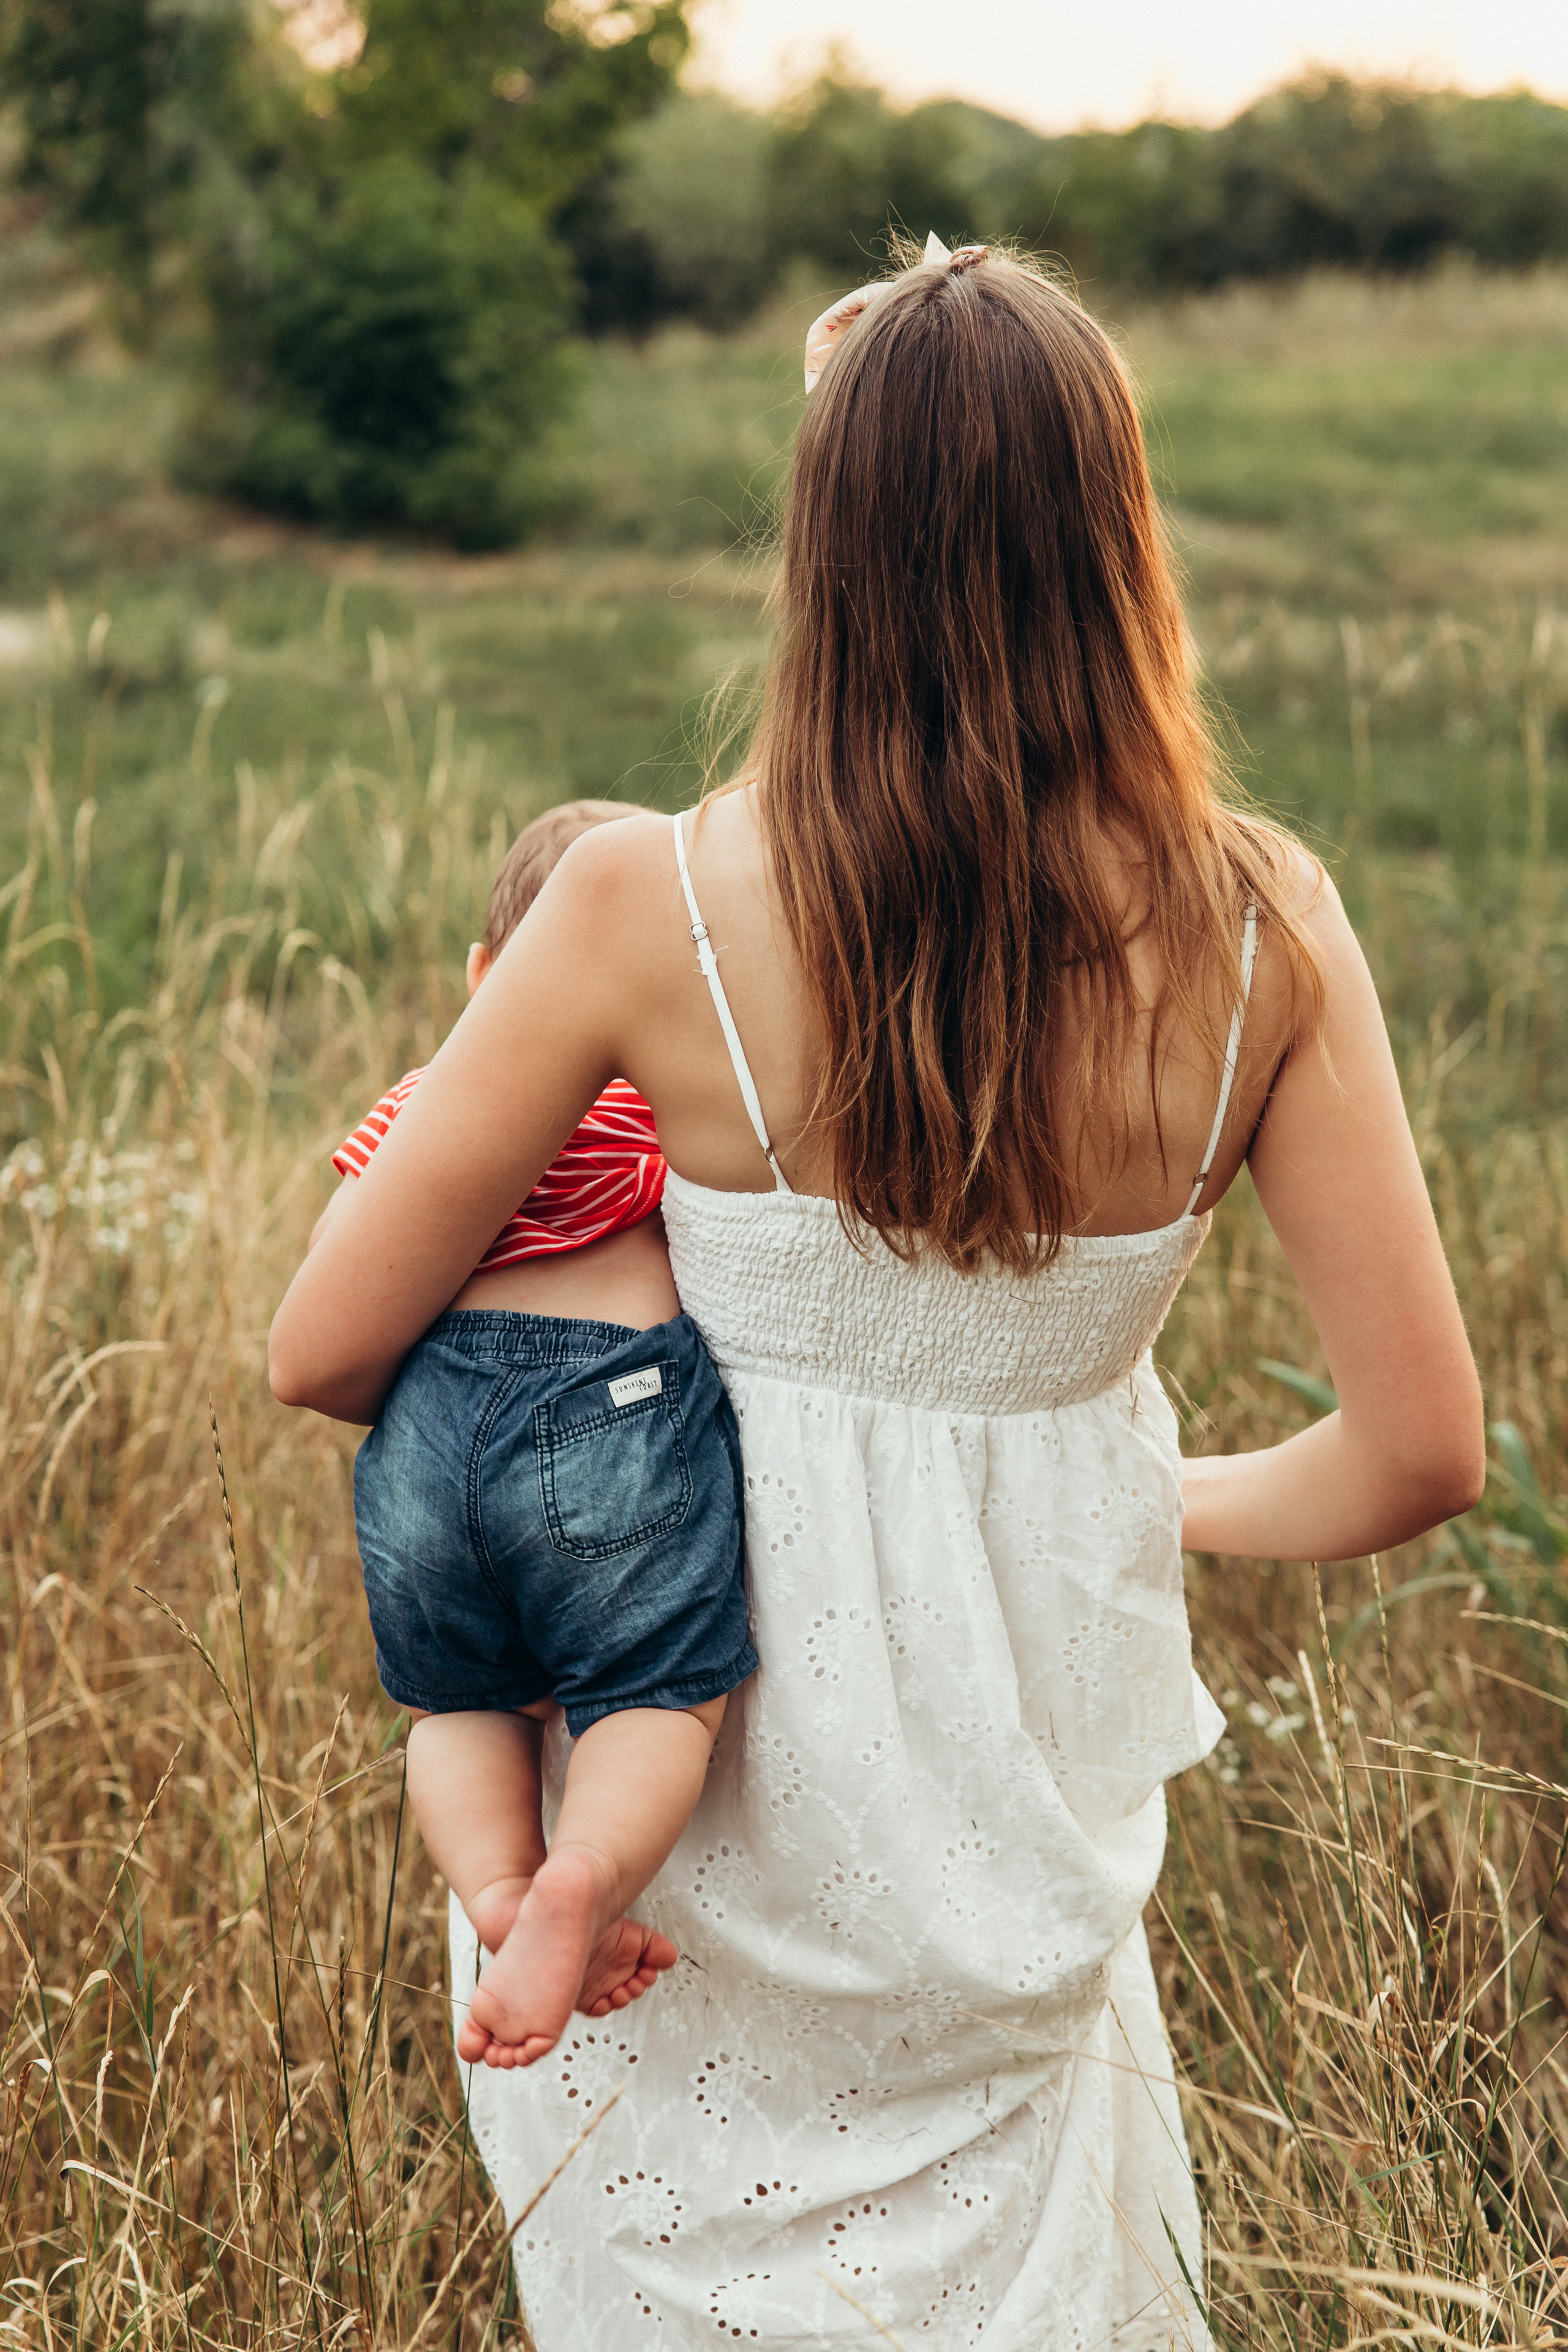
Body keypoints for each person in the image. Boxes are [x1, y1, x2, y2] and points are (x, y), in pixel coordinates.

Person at [269, 243, 1484, 2347]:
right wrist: (1098, 1487)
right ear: (1121, 533)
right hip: (1004, 1809)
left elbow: (322, 1350)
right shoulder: (1269, 931)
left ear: (821, 552)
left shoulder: (644, 900)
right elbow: (1418, 1453)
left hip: (673, 1809)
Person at [302, 798, 757, 2070]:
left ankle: (500, 1891)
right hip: (605, 1412)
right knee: (657, 1697)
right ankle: (584, 1877)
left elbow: (333, 1301)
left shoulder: (418, 1107)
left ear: (483, 980)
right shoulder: (668, 1114)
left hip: (420, 1437)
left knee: (454, 1703)